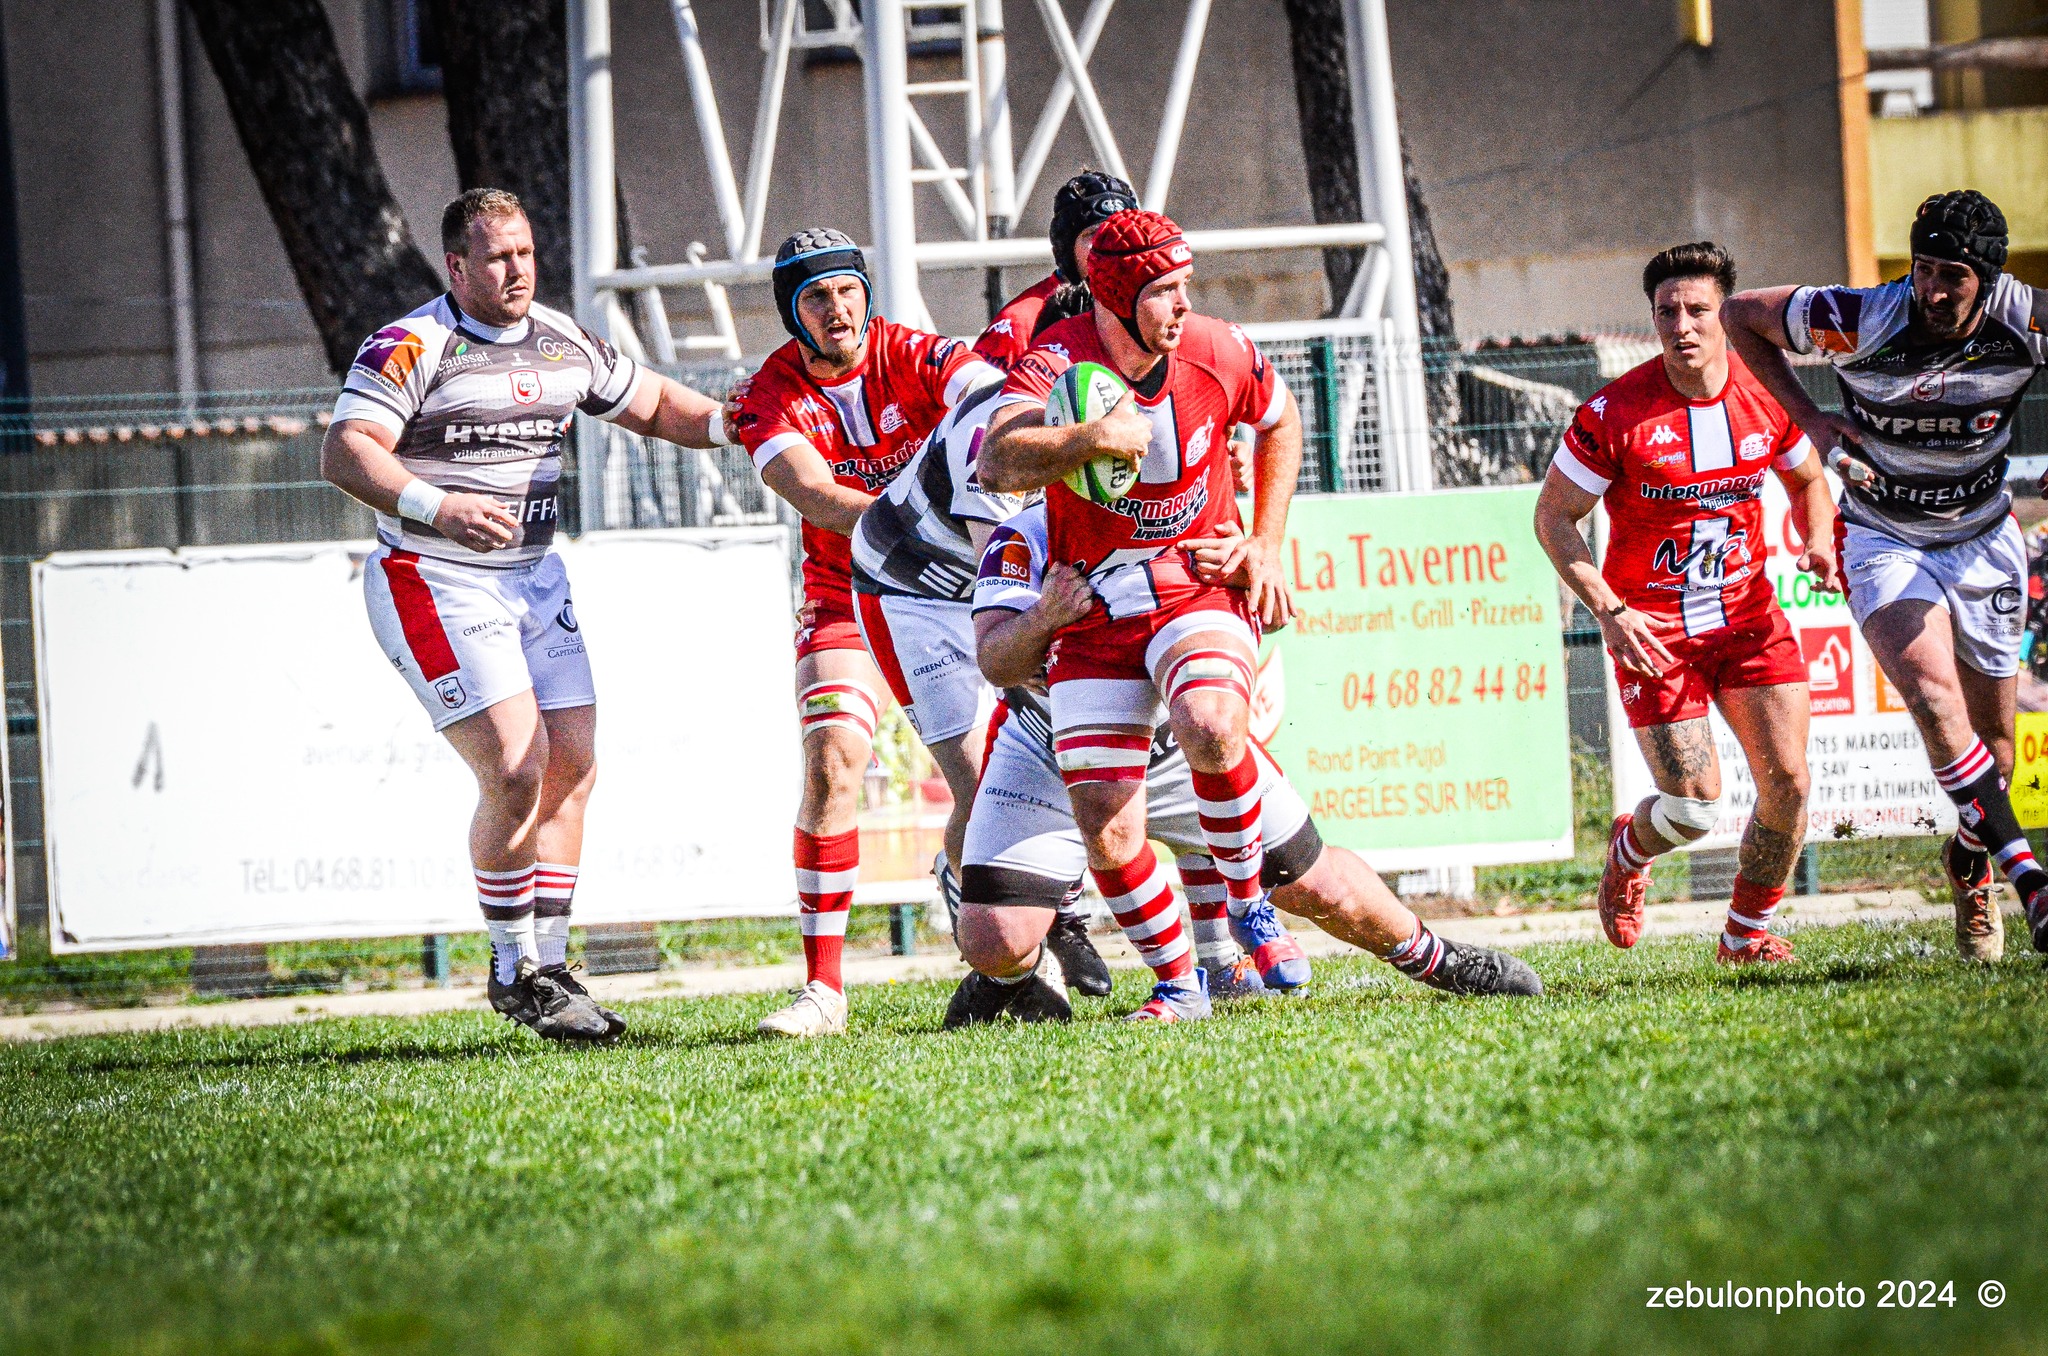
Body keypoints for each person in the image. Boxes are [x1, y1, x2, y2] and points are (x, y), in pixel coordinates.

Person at [322, 187, 726, 1040]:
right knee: (515, 765)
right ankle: (514, 968)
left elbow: (652, 404)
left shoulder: (560, 336)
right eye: (497, 257)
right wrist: (439, 505)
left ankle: (549, 970)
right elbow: (347, 451)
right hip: (434, 575)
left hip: (535, 579)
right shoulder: (411, 344)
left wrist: (745, 426)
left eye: (526, 253)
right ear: (457, 265)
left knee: (572, 762)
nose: (516, 270)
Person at [945, 502, 1543, 1024]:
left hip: (1175, 749)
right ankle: (1016, 979)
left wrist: (1258, 563)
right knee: (994, 938)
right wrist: (1044, 617)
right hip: (1046, 750)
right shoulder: (1024, 538)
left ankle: (1436, 958)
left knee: (1320, 887)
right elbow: (995, 659)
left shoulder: (1186, 522)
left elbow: (1267, 607)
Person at [974, 208, 1314, 1020]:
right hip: (1097, 603)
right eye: (1163, 290)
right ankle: (1178, 987)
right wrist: (1087, 439)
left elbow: (1282, 419)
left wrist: (1265, 542)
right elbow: (996, 457)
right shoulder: (1056, 362)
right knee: (1107, 828)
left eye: (1184, 287)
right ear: (1119, 296)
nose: (1181, 305)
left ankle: (1247, 906)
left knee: (1209, 723)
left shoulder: (1219, 347)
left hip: (1197, 581)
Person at [1724, 191, 2048, 962]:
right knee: (1936, 704)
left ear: (1989, 280)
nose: (1932, 290)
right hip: (1881, 538)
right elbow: (1739, 315)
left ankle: (1969, 864)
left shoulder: (2026, 318)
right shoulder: (1861, 315)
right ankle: (2032, 886)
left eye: (1952, 278)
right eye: (1923, 268)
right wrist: (1807, 416)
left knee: (1995, 756)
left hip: (1982, 537)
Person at [730, 229, 1004, 1037]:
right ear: (793, 312)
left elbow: (995, 401)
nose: (837, 307)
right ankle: (823, 991)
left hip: (953, 587)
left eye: (847, 289)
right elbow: (814, 494)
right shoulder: (768, 397)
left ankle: (995, 909)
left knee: (988, 777)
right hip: (845, 591)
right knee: (832, 759)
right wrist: (929, 517)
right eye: (816, 297)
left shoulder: (916, 356)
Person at [1534, 242, 1839, 964]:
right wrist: (1611, 610)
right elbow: (1553, 518)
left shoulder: (1764, 397)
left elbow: (1808, 476)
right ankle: (1629, 851)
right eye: (1666, 311)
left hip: (1747, 621)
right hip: (1652, 632)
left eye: (1698, 310)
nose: (1682, 325)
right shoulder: (1615, 413)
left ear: (1725, 318)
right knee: (1695, 807)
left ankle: (1745, 936)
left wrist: (1820, 537)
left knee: (1789, 783)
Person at [846, 372, 1114, 998]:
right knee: (980, 784)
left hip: (991, 592)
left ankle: (1057, 908)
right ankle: (1033, 932)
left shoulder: (1104, 417)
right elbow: (1005, 582)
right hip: (910, 594)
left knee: (1058, 740)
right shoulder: (992, 444)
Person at [972, 170, 1135, 372]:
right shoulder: (1019, 324)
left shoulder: (1151, 311)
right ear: (1066, 247)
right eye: (1093, 234)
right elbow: (979, 401)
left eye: (1120, 231)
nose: (1110, 243)